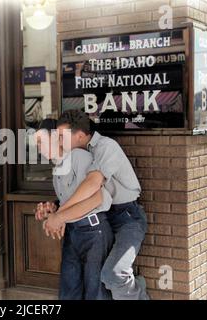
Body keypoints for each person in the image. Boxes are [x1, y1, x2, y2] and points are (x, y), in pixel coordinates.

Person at [40, 110, 149, 300]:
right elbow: (79, 194)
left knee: (113, 274)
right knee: (94, 283)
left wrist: (60, 216)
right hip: (101, 218)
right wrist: (57, 207)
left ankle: (138, 293)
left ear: (80, 136)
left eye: (61, 137)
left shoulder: (105, 146)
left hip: (126, 217)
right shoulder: (77, 155)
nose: (58, 141)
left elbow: (92, 184)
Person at [34, 119, 113, 300]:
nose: (38, 147)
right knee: (69, 292)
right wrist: (52, 209)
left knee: (96, 293)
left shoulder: (78, 156)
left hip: (94, 231)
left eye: (41, 141)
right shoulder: (57, 170)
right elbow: (70, 202)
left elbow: (98, 197)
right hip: (73, 233)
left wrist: (59, 217)